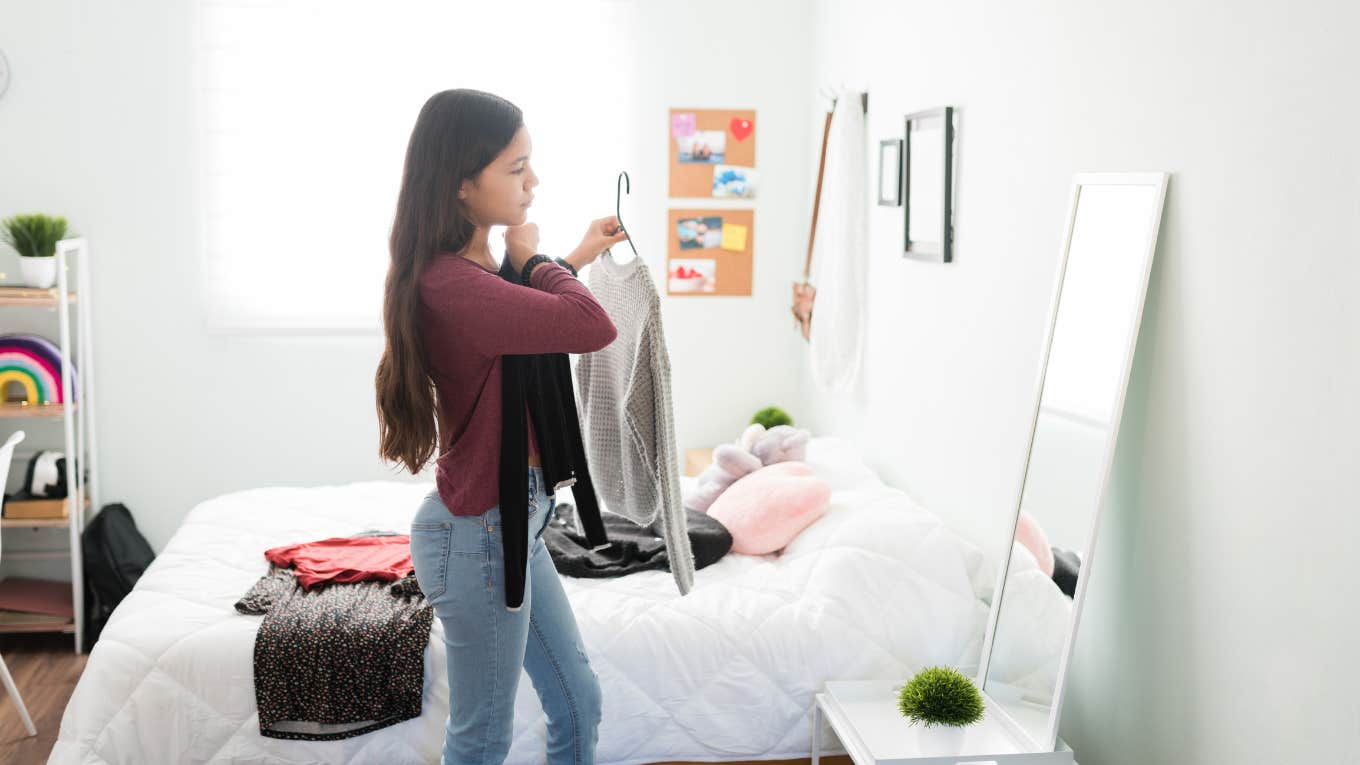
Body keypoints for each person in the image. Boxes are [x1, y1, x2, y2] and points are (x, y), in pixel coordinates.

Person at [375, 88, 628, 765]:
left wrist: (568, 254)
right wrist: (542, 258)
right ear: (463, 183)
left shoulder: (474, 271)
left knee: (578, 702)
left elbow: (521, 311)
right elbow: (586, 324)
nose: (533, 182)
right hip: (483, 531)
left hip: (513, 521)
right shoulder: (451, 285)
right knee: (482, 736)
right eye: (517, 168)